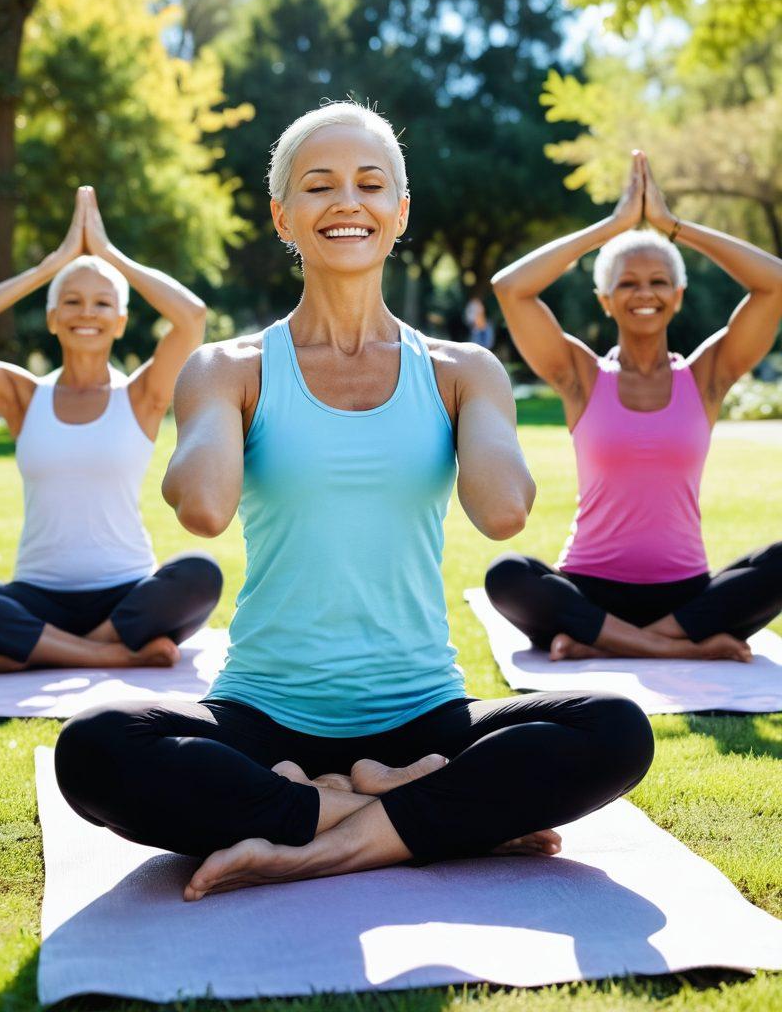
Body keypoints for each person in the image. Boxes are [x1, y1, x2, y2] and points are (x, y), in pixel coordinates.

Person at [55, 102, 653, 901]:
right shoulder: (229, 367)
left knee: (616, 729)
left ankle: (317, 836)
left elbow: (503, 511)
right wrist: (216, 413)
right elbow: (202, 508)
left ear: (400, 213)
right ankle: (401, 812)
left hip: (424, 716)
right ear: (282, 216)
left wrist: (473, 407)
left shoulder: (460, 369)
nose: (347, 202)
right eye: (318, 186)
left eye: (371, 184)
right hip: (265, 720)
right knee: (94, 747)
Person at [486, 151, 782, 663]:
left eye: (658, 281)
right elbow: (511, 288)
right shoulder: (580, 376)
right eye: (626, 282)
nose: (643, 292)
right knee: (508, 575)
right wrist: (614, 225)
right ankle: (676, 649)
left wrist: (673, 227)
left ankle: (611, 645)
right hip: (587, 591)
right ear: (604, 299)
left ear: (679, 295)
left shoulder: (707, 376)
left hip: (686, 595)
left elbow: (773, 282)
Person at [0, 187, 222, 675]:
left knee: (201, 575)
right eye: (71, 302)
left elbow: (192, 318)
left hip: (126, 594)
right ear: (53, 319)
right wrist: (47, 269)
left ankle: (32, 651)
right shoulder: (23, 397)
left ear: (120, 322)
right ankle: (108, 654)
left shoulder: (141, 396)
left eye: (101, 304)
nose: (86, 313)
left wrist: (107, 254)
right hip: (36, 597)